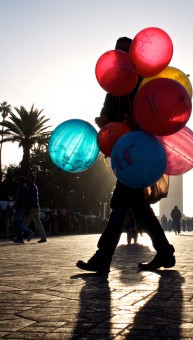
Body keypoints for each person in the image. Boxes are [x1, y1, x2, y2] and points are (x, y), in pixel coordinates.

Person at [76, 37, 175, 273]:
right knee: (138, 207)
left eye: (123, 52)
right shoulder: (114, 85)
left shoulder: (144, 81)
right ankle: (164, 252)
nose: (119, 57)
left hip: (139, 151)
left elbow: (156, 111)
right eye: (116, 52)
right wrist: (105, 121)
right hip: (123, 150)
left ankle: (103, 257)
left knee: (121, 204)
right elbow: (107, 111)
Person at [21, 174, 47, 243]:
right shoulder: (34, 187)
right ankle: (43, 237)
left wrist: (27, 208)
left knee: (24, 223)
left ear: (33, 180)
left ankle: (20, 237)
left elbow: (30, 199)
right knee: (38, 223)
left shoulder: (31, 188)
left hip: (32, 208)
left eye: (29, 179)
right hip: (36, 207)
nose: (28, 180)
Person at [12, 176, 35, 243]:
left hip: (21, 208)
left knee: (17, 222)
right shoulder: (24, 188)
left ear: (20, 182)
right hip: (22, 208)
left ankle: (29, 232)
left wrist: (15, 204)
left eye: (18, 181)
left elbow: (20, 199)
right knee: (18, 223)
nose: (17, 183)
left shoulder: (22, 188)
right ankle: (20, 238)